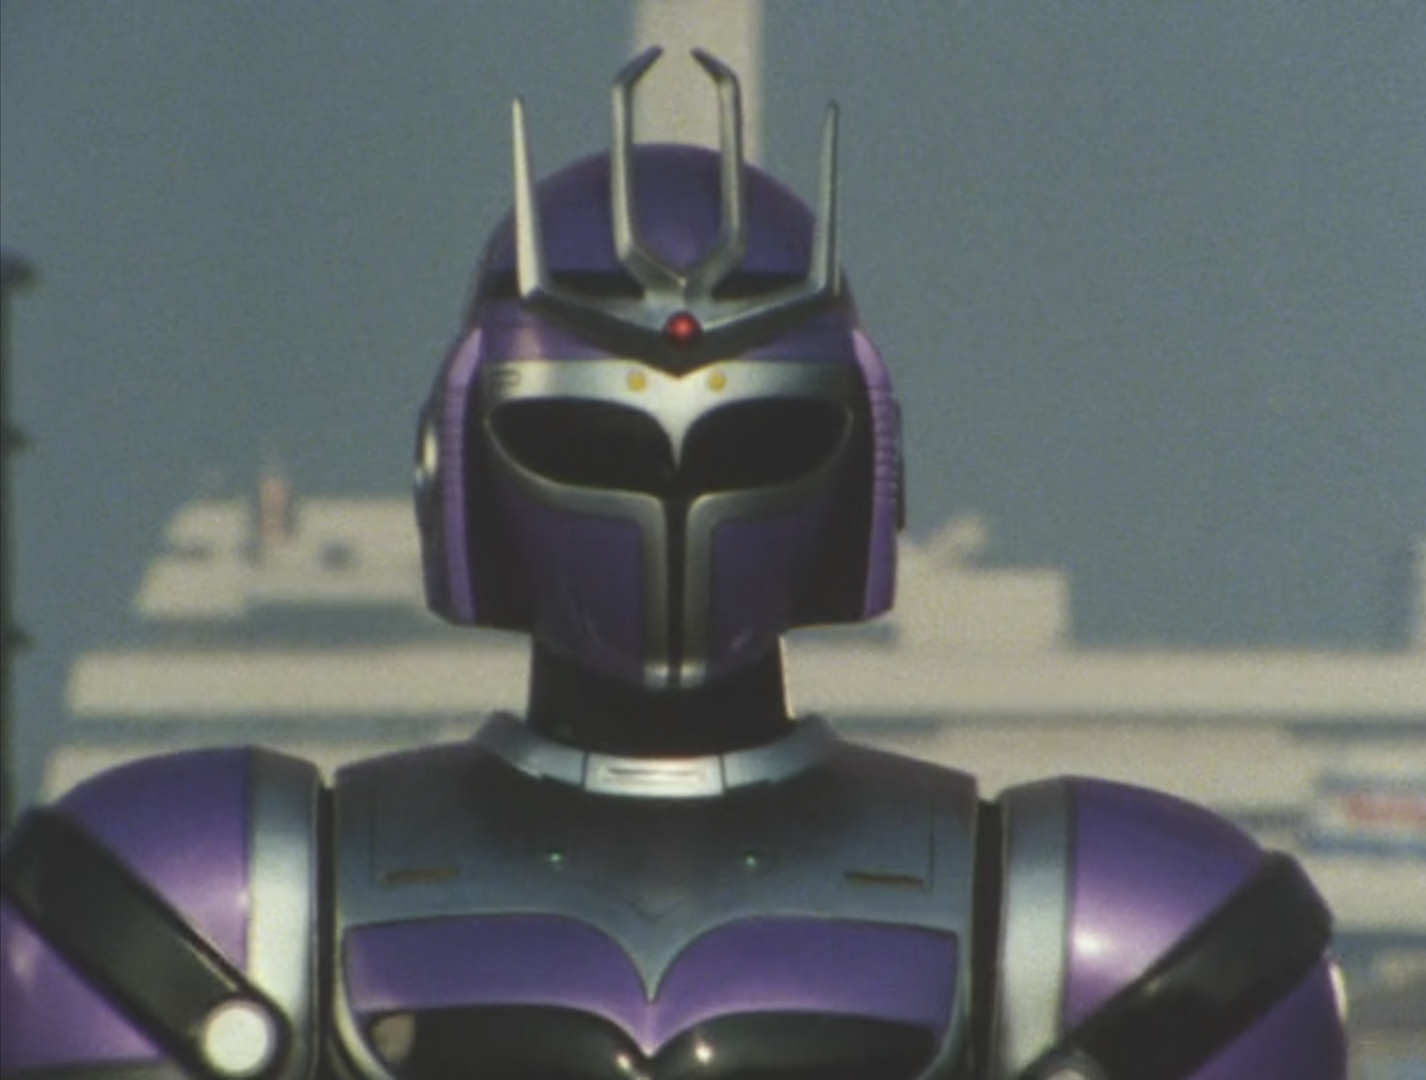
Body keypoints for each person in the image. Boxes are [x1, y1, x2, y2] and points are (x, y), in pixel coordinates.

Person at [1, 49, 1347, 1080]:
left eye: (749, 442)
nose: (674, 502)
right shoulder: (195, 908)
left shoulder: (1115, 933)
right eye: (594, 443)